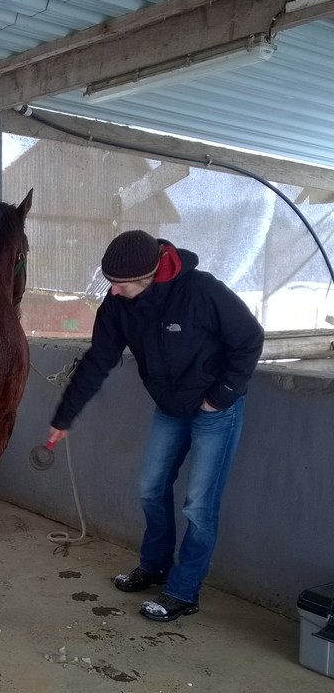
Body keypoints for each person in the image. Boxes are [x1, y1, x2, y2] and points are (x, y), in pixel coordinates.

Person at [47, 229, 264, 623]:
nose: (113, 291)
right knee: (150, 488)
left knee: (199, 506)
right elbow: (99, 361)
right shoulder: (117, 306)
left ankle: (183, 591)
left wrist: (221, 396)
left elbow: (250, 337)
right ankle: (154, 566)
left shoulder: (200, 291)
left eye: (122, 284)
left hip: (215, 412)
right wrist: (65, 418)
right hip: (170, 408)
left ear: (150, 276)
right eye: (109, 282)